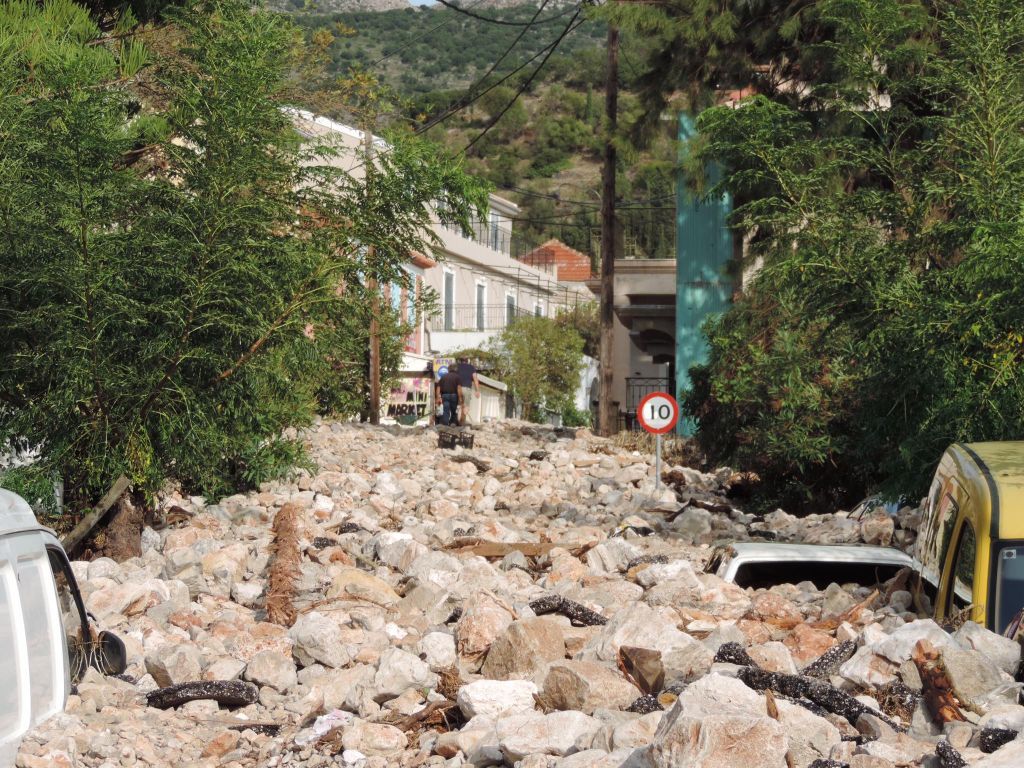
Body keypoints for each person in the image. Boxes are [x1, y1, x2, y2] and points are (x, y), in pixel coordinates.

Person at [457, 357, 481, 426]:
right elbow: (475, 379)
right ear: (467, 361)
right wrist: (477, 391)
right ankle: (462, 423)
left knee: (458, 406)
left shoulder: (457, 367)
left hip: (458, 388)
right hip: (467, 389)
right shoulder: (471, 368)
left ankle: (456, 422)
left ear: (460, 361)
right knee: (466, 406)